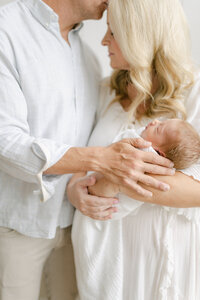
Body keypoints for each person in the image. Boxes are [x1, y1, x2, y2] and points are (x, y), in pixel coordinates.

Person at [0, 0, 175, 299]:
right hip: (18, 225)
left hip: (78, 229)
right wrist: (104, 160)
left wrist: (76, 185)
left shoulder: (90, 60)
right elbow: (5, 141)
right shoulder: (7, 28)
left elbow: (83, 137)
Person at [69, 0, 200, 299]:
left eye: (113, 33)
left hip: (160, 257)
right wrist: (75, 191)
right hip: (106, 257)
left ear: (140, 36)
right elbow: (81, 160)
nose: (104, 41)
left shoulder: (194, 92)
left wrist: (112, 180)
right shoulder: (105, 92)